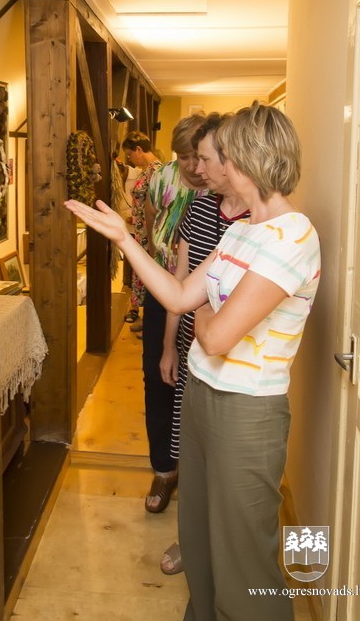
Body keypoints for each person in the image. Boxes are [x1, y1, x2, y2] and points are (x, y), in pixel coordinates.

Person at [65, 102, 321, 621]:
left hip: (246, 410)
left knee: (245, 558)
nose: (206, 167)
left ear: (246, 159)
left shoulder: (293, 235)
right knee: (200, 534)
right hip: (203, 392)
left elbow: (218, 336)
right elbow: (180, 296)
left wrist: (205, 315)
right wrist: (123, 239)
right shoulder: (242, 230)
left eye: (219, 155)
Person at [159, 113, 250, 575]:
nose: (197, 169)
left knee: (228, 472)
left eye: (205, 159)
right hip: (195, 353)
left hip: (238, 367)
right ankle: (190, 541)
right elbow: (181, 283)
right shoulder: (197, 212)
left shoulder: (261, 223)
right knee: (192, 460)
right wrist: (169, 346)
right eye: (192, 159)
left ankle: (219, 554)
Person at [142, 114, 209, 513]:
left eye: (198, 156)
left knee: (198, 381)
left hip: (207, 297)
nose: (193, 166)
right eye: (184, 157)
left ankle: (199, 471)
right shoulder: (161, 177)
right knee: (158, 376)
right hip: (162, 290)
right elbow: (151, 217)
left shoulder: (220, 182)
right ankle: (164, 469)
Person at [120, 132, 162, 328]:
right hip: (141, 231)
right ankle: (146, 317)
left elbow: (157, 205)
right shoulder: (147, 170)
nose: (130, 159)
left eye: (130, 154)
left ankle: (150, 320)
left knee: (150, 273)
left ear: (138, 149)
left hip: (149, 233)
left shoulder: (156, 171)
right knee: (142, 274)